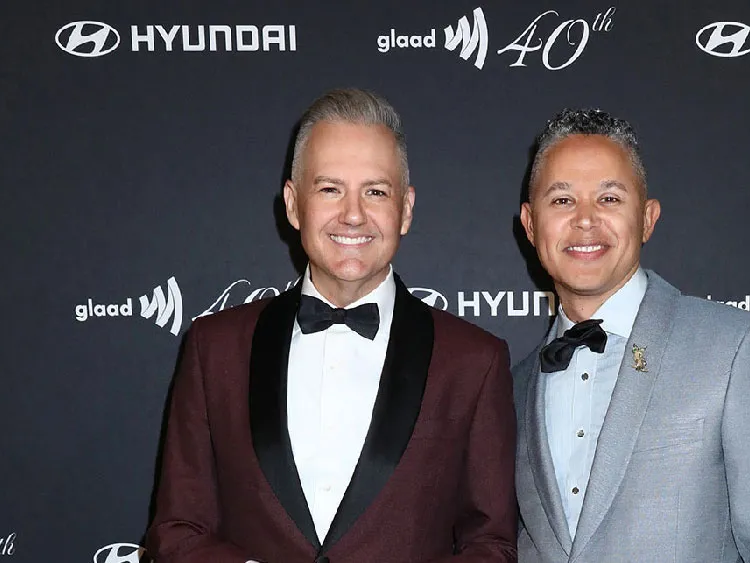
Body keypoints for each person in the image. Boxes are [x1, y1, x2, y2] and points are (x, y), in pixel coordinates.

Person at [147, 88, 517, 563]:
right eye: (330, 189)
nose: (353, 214)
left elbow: (491, 545)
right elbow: (177, 532)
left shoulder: (474, 361)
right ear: (293, 204)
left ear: (405, 209)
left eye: (375, 191)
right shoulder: (214, 349)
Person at [513, 108, 750, 562]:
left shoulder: (736, 350)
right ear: (530, 224)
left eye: (609, 198)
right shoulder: (516, 384)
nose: (585, 220)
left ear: (647, 218)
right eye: (562, 200)